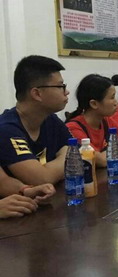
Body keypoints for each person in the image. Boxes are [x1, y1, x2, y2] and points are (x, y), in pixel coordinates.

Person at [0, 55, 71, 185]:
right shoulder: (6, 129)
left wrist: (57, 166)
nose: (67, 92)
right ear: (37, 94)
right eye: (61, 86)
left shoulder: (51, 120)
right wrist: (67, 159)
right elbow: (42, 179)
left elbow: (80, 152)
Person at [66, 74, 118, 166]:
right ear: (94, 104)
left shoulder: (106, 121)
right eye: (112, 97)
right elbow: (102, 160)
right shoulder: (73, 128)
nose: (116, 102)